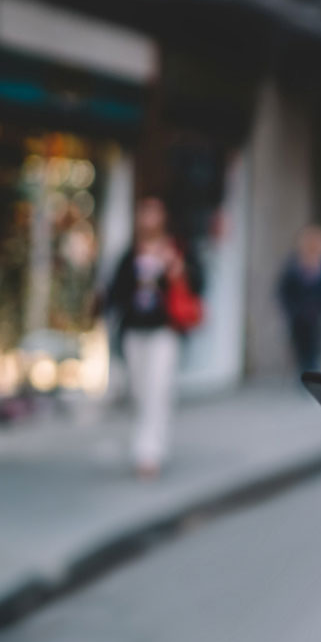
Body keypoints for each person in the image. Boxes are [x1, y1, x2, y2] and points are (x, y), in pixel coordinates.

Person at [105, 197, 203, 479]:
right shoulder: (131, 253)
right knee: (139, 391)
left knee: (157, 389)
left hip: (164, 330)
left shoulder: (176, 249)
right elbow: (117, 291)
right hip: (135, 330)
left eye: (153, 213)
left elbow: (198, 284)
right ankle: (145, 444)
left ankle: (149, 451)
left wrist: (176, 267)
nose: (147, 218)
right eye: (143, 212)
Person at [277, 224, 321, 373]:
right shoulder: (294, 266)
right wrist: (292, 310)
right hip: (299, 317)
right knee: (300, 349)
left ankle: (312, 375)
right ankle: (303, 375)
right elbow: (284, 291)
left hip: (317, 318)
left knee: (314, 350)